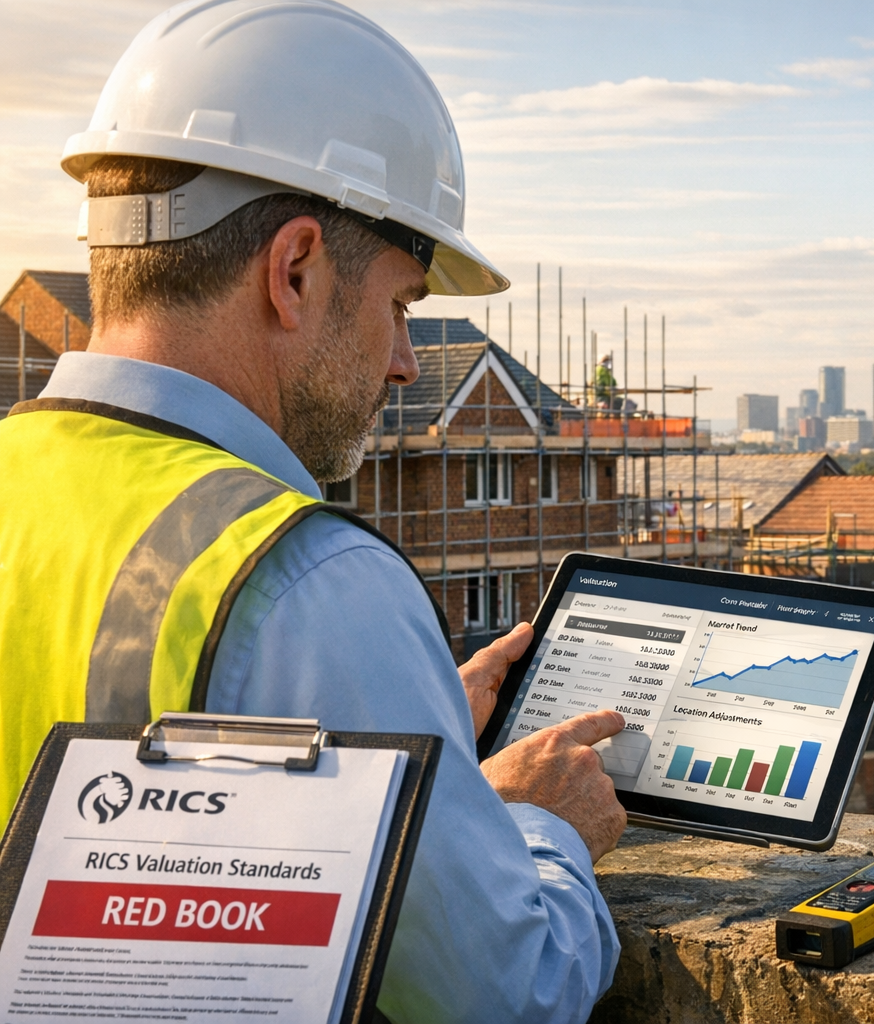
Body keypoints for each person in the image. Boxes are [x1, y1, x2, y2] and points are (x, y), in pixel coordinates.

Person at [0, 3, 622, 1021]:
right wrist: (535, 821)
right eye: (401, 304)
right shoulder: (309, 583)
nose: (406, 361)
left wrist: (411, 731)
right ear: (294, 271)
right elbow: (513, 994)